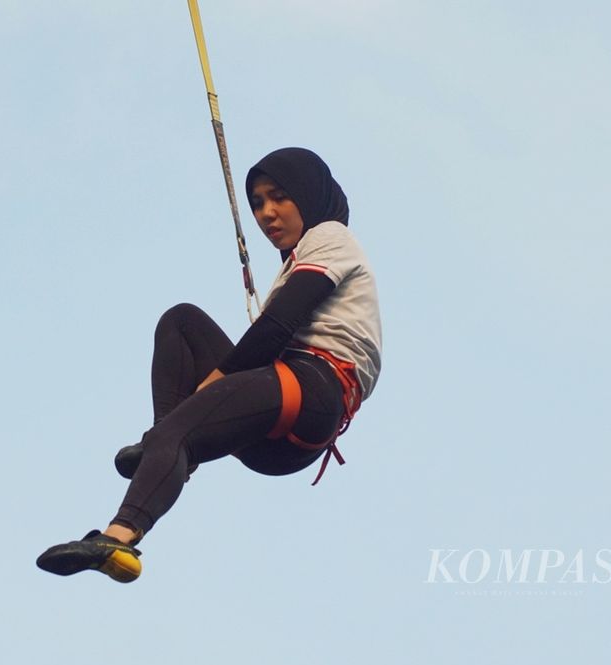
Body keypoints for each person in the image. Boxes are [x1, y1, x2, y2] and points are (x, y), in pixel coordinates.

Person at [36, 147, 382, 583]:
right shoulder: (298, 260)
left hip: (313, 391)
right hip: (277, 438)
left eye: (278, 197)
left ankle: (120, 536)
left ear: (309, 195)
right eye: (257, 203)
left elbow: (275, 328)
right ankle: (168, 450)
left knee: (179, 425)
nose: (266, 213)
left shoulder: (331, 236)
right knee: (182, 324)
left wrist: (209, 389)